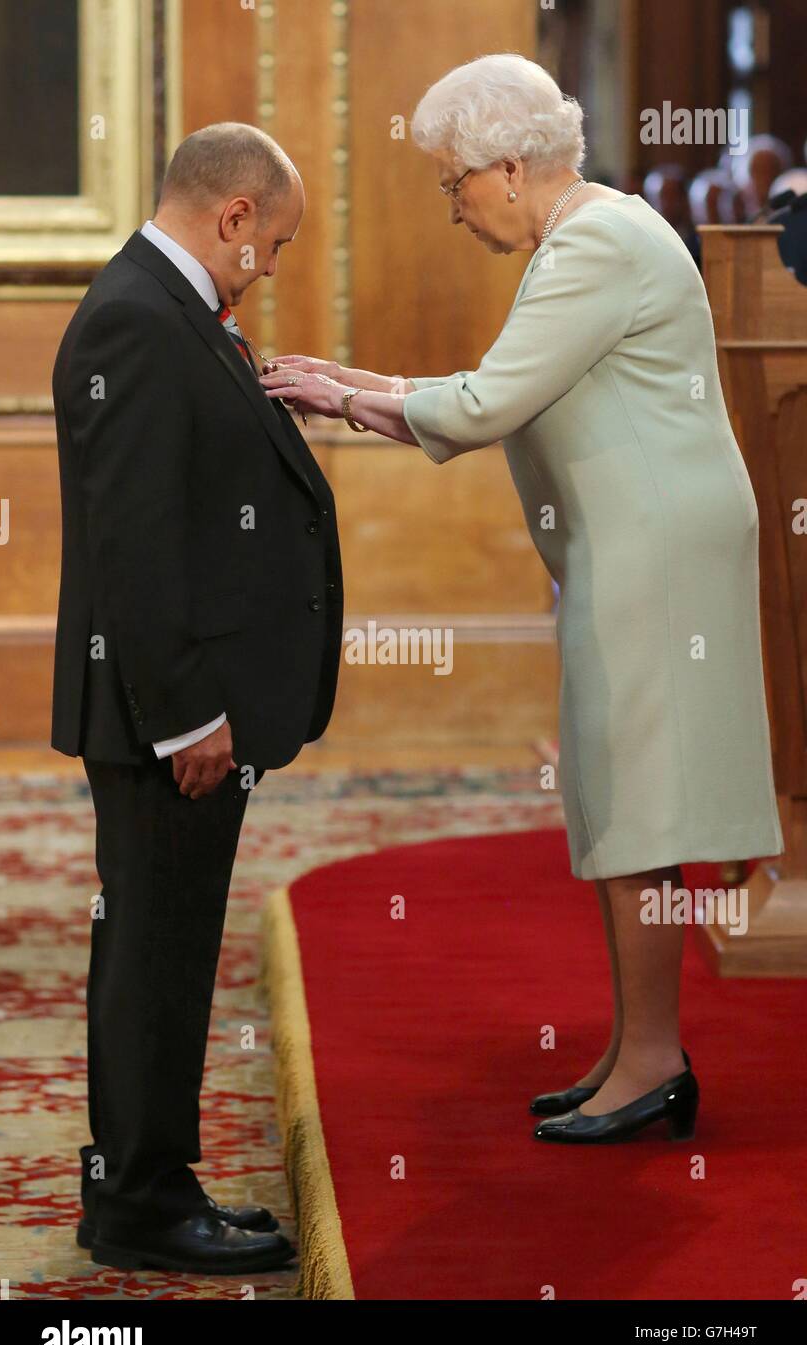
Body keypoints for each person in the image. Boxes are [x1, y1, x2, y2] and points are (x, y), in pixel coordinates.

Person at [263, 55, 784, 1146]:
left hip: (657, 553)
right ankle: (633, 1052)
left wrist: (345, 396)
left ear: (507, 168)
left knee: (643, 799)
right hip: (635, 544)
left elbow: (490, 399)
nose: (453, 212)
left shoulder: (596, 241)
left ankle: (651, 1065)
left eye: (451, 185)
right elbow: (497, 387)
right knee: (614, 787)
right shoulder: (593, 234)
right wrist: (351, 382)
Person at [51, 122, 343, 1269]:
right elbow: (137, 549)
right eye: (268, 245)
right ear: (232, 218)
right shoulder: (136, 316)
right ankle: (137, 1205)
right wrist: (187, 716)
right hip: (163, 718)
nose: (265, 267)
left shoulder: (171, 313)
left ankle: (158, 1183)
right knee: (152, 958)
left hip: (183, 710)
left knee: (167, 950)